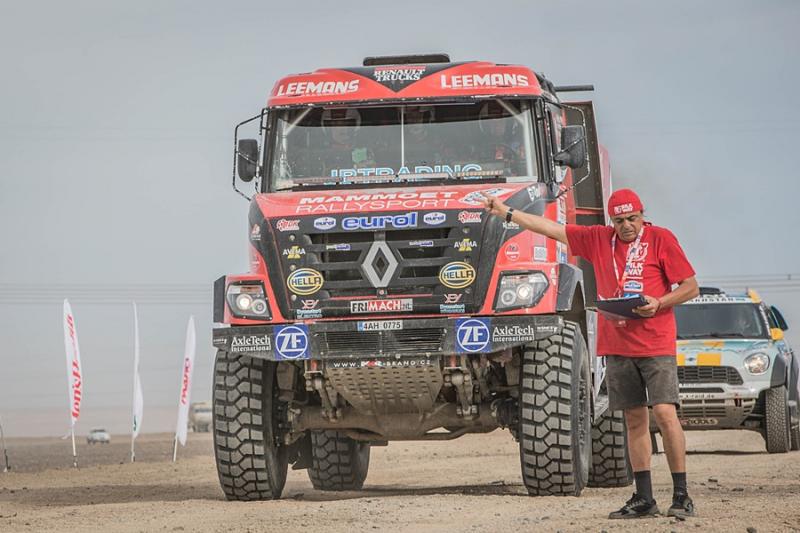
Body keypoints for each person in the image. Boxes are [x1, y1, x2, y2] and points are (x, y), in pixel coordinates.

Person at [482, 188, 699, 519]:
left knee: (665, 413)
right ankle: (644, 497)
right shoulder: (599, 239)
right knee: (633, 419)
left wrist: (659, 303)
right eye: (619, 221)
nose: (626, 226)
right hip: (618, 345)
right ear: (611, 221)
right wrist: (507, 213)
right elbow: (550, 228)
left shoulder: (661, 239)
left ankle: (681, 495)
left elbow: (690, 286)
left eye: (632, 219)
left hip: (656, 344)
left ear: (642, 215)